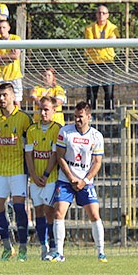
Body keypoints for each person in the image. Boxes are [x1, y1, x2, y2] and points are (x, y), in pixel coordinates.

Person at [47, 101, 106, 263]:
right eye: (75, 117)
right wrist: (71, 177)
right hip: (66, 180)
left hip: (85, 182)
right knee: (59, 212)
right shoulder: (65, 132)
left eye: (80, 117)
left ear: (89, 117)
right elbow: (59, 156)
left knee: (94, 214)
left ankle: (101, 252)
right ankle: (59, 252)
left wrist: (85, 180)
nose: (77, 120)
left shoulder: (96, 136)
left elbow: (97, 163)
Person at [0, 82, 32, 261]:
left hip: (18, 170)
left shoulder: (24, 118)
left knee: (19, 207)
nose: (2, 98)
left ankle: (23, 248)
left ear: (14, 96)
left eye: (5, 95)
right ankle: (7, 247)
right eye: (0, 95)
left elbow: (30, 145)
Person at [25, 96, 62, 260]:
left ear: (54, 110)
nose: (43, 112)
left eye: (46, 109)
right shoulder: (32, 130)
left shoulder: (57, 129)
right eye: (41, 109)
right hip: (35, 178)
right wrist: (33, 175)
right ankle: (43, 245)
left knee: (50, 211)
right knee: (38, 210)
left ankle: (54, 246)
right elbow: (29, 154)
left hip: (50, 178)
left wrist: (46, 175)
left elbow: (55, 155)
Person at [84, 5, 118, 112]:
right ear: (96, 14)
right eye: (99, 13)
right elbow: (90, 44)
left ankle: (109, 113)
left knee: (108, 90)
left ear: (107, 15)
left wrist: (98, 43)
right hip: (93, 63)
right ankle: (91, 113)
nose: (101, 15)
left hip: (107, 62)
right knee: (92, 91)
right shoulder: (89, 28)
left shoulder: (113, 28)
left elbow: (114, 39)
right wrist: (105, 42)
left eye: (103, 13)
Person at [0, 21, 24, 106]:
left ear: (9, 28)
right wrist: (9, 56)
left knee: (16, 101)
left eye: (4, 27)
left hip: (14, 75)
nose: (2, 30)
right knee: (0, 100)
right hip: (1, 76)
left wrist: (1, 57)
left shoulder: (15, 39)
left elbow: (15, 56)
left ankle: (19, 118)